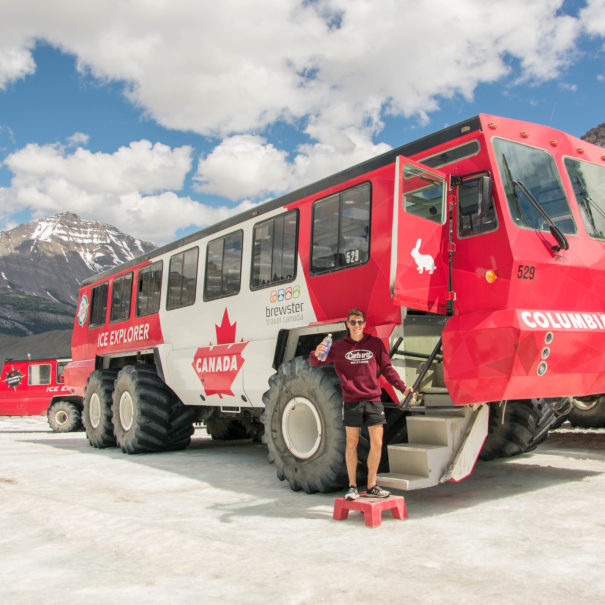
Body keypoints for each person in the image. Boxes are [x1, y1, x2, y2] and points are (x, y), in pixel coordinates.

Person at [309, 309, 413, 500]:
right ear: (347, 325)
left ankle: (372, 485)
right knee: (352, 443)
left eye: (359, 322)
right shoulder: (339, 347)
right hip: (351, 402)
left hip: (373, 399)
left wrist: (402, 387)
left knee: (377, 442)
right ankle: (352, 487)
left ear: (364, 324)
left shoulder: (375, 344)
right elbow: (316, 361)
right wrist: (316, 352)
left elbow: (387, 369)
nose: (356, 326)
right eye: (353, 322)